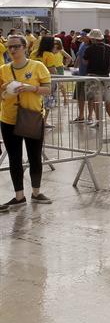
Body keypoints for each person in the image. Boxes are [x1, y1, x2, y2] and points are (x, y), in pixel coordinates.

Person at [0, 34, 53, 211]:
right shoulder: (4, 69)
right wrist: (3, 91)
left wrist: (32, 88)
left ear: (25, 47)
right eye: (9, 47)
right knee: (14, 159)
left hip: (31, 117)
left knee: (34, 156)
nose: (12, 50)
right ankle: (19, 196)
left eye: (16, 46)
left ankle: (36, 193)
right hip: (9, 118)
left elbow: (48, 90)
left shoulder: (38, 66)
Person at [84, 29, 110, 128]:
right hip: (105, 76)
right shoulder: (109, 47)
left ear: (92, 38)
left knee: (95, 99)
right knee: (107, 99)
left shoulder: (89, 48)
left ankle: (98, 121)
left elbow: (85, 62)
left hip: (92, 76)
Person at [31, 36, 59, 129]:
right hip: (45, 82)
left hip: (33, 80)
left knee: (36, 102)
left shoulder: (34, 53)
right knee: (47, 103)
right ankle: (43, 122)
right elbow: (52, 70)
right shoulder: (49, 54)